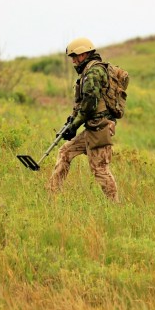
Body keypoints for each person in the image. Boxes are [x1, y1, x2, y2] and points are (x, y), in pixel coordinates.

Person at [46, 37, 119, 201]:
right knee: (65, 152)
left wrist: (75, 125)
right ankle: (52, 195)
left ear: (83, 54)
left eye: (74, 56)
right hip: (93, 127)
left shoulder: (93, 72)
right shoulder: (90, 70)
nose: (73, 61)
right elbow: (83, 103)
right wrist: (71, 121)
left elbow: (89, 104)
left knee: (99, 169)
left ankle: (115, 205)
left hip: (100, 128)